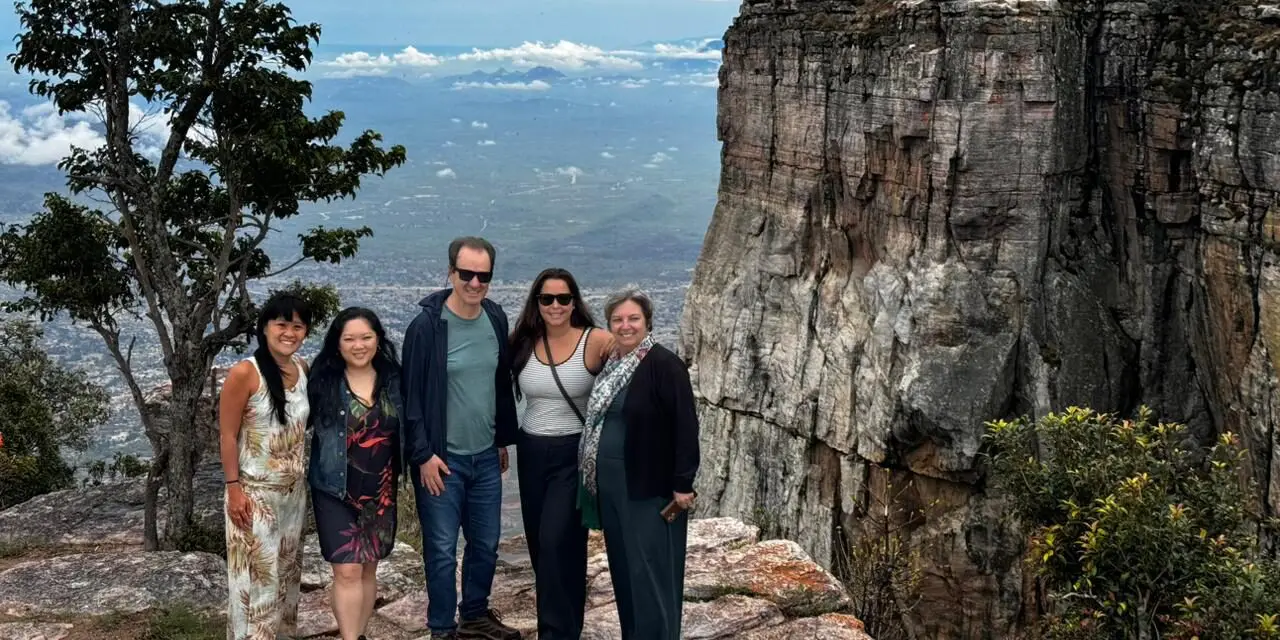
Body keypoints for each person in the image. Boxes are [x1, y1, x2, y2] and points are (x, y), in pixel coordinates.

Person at [401, 236, 522, 640]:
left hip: (486, 455)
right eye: (466, 273)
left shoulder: (495, 318)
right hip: (442, 460)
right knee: (440, 551)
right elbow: (411, 397)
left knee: (485, 544)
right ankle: (441, 629)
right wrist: (422, 455)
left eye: (482, 275)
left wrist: (501, 438)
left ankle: (474, 614)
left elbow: (497, 384)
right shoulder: (427, 328)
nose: (474, 282)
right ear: (450, 272)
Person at [578, 288, 700, 640]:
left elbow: (685, 425)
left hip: (650, 488)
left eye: (633, 318)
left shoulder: (663, 365)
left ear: (647, 321)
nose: (625, 325)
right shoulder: (613, 363)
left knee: (651, 572)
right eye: (618, 319)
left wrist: (683, 482)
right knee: (625, 570)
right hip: (613, 487)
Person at [508, 268, 614, 639]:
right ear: (536, 303)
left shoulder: (596, 341)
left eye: (563, 298)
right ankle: (563, 625)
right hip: (531, 450)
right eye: (547, 299)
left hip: (573, 451)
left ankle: (555, 632)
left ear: (575, 302)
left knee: (558, 541)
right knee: (541, 545)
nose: (555, 306)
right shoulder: (522, 342)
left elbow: (638, 359)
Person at [218, 291, 314, 640]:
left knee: (287, 581)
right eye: (282, 324)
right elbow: (227, 436)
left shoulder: (302, 369)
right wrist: (233, 490)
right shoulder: (246, 373)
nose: (289, 332)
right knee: (255, 588)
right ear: (265, 327)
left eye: (298, 326)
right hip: (254, 497)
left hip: (292, 497)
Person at [306, 307, 406, 640]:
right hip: (334, 489)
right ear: (337, 344)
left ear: (378, 340)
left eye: (366, 337)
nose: (358, 345)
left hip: (380, 489)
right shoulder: (322, 382)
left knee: (367, 568)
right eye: (349, 338)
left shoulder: (394, 380)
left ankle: (358, 634)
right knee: (346, 570)